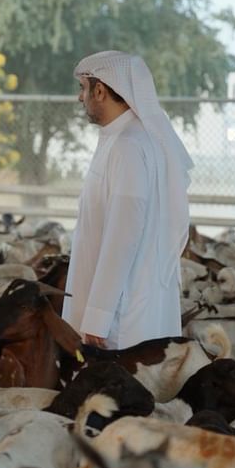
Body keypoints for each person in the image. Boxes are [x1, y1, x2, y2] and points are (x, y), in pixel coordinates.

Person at [62, 51, 195, 350]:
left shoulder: (129, 146)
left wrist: (98, 316)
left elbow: (123, 236)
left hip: (122, 317)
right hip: (126, 305)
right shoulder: (124, 139)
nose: (79, 97)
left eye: (83, 88)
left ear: (100, 90)